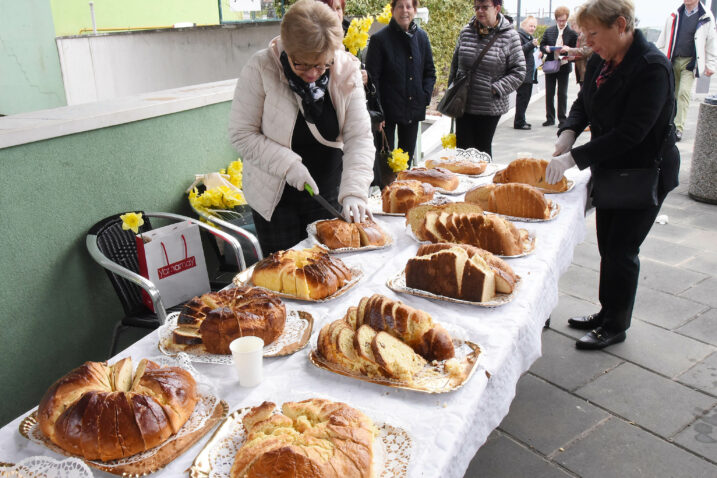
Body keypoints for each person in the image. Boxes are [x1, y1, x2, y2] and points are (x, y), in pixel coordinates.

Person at [545, 0, 680, 350]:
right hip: (611, 170)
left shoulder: (651, 67)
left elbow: (632, 132)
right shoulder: (603, 61)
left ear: (621, 25)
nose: (588, 42)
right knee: (608, 243)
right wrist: (569, 131)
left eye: (593, 33)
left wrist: (576, 158)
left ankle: (616, 324)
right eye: (584, 34)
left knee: (622, 248)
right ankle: (607, 311)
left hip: (643, 170)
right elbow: (583, 104)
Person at [228, 0, 375, 255]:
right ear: (287, 48)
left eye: (322, 65)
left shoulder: (346, 69)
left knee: (329, 272)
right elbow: (242, 134)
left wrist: (354, 191)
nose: (313, 74)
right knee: (285, 274)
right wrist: (289, 165)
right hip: (275, 199)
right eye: (302, 65)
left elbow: (359, 136)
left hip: (327, 191)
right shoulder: (261, 67)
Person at [448, 0, 525, 157]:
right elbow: (455, 64)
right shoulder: (466, 32)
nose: (479, 11)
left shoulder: (510, 36)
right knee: (462, 151)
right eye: (477, 7)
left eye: (484, 7)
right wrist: (451, 91)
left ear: (497, 8)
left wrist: (495, 88)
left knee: (482, 151)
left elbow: (519, 71)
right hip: (464, 102)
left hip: (489, 105)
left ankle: (483, 181)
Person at [365, 0, 436, 168]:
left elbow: (429, 72)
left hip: (413, 108)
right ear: (392, 10)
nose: (405, 11)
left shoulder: (422, 37)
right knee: (386, 164)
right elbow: (372, 78)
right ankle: (386, 192)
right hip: (386, 113)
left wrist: (424, 97)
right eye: (400, 6)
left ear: (415, 10)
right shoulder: (379, 39)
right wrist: (377, 111)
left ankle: (406, 193)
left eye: (409, 6)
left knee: (406, 164)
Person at [656, 0, 717, 141]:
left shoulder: (706, 16)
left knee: (683, 93)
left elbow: (711, 42)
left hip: (690, 63)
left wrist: (710, 64)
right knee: (671, 94)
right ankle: (667, 124)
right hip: (672, 60)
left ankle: (678, 128)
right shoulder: (675, 14)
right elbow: (663, 39)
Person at [540, 6, 578, 127]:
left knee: (562, 93)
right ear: (556, 19)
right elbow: (542, 45)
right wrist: (546, 49)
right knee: (549, 92)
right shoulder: (549, 30)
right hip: (551, 64)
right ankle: (549, 118)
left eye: (563, 20)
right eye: (559, 20)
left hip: (564, 65)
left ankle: (562, 119)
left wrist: (566, 51)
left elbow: (574, 50)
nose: (561, 23)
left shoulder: (571, 33)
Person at [514, 16, 539, 130]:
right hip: (523, 73)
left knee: (526, 98)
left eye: (534, 26)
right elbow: (519, 51)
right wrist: (531, 45)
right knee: (522, 98)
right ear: (524, 25)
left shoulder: (529, 37)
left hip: (529, 72)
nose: (532, 28)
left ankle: (521, 120)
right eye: (530, 25)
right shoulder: (520, 36)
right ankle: (519, 122)